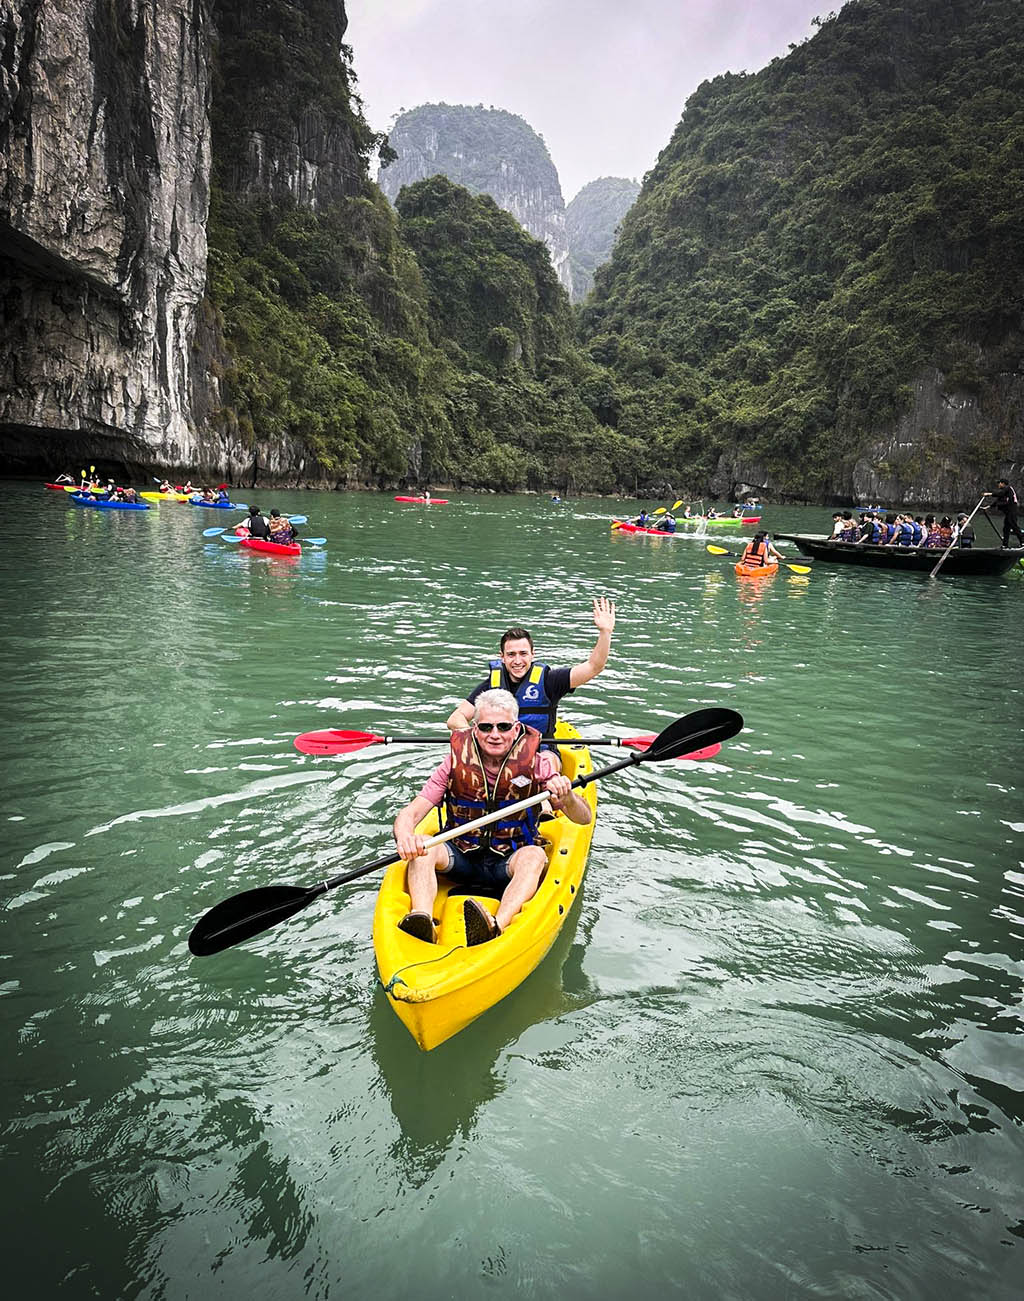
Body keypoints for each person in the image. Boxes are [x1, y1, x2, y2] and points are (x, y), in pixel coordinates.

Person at [393, 689, 592, 945]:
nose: (494, 734)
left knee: (534, 856)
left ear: (516, 728)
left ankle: (495, 925)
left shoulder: (537, 763)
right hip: (460, 856)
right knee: (423, 847)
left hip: (509, 860)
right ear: (475, 729)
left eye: (503, 726)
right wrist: (405, 837)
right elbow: (410, 813)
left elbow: (583, 818)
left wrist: (567, 797)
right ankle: (422, 919)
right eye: (486, 727)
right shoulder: (453, 762)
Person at [446, 599, 617, 749]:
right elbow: (455, 719)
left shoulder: (550, 681)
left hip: (541, 750)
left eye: (523, 654)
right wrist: (479, 738)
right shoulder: (492, 685)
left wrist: (605, 632)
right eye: (511, 655)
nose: (517, 661)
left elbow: (594, 666)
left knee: (547, 760)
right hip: (500, 752)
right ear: (502, 657)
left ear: (532, 655)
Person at [984, 479, 1024, 548]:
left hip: (1012, 511)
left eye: (999, 483)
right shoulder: (1005, 492)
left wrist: (989, 494)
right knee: (1006, 528)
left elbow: (1000, 494)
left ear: (1003, 483)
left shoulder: (1008, 488)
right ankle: (1005, 545)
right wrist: (989, 507)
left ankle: (1022, 542)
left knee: (1014, 526)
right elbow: (998, 500)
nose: (998, 485)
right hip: (1008, 513)